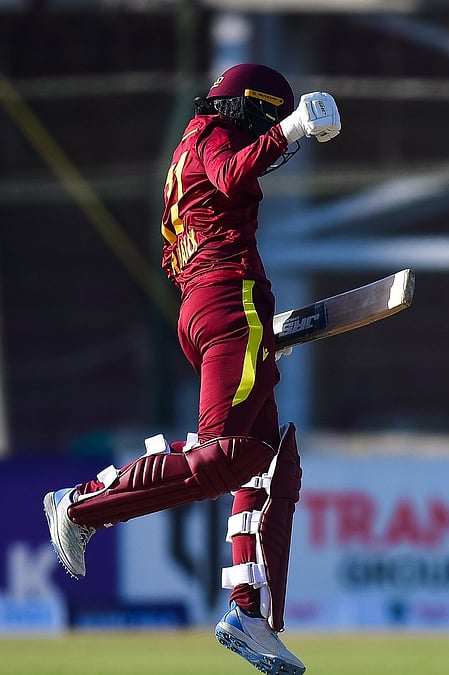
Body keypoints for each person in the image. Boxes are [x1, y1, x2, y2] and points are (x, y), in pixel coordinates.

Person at [41, 63, 341, 675]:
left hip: (211, 304)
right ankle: (81, 505)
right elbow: (232, 177)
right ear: (244, 107)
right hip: (232, 301)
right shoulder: (208, 136)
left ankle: (249, 613)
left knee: (269, 460)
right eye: (261, 117)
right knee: (222, 453)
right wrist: (291, 128)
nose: (264, 133)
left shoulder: (186, 155)